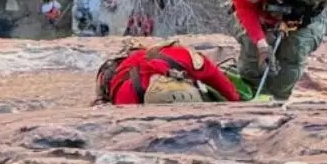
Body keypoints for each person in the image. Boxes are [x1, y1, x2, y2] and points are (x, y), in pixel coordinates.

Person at [94, 42, 242, 105]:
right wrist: (235, 100)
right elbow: (214, 76)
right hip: (187, 96)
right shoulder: (174, 53)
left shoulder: (120, 91)